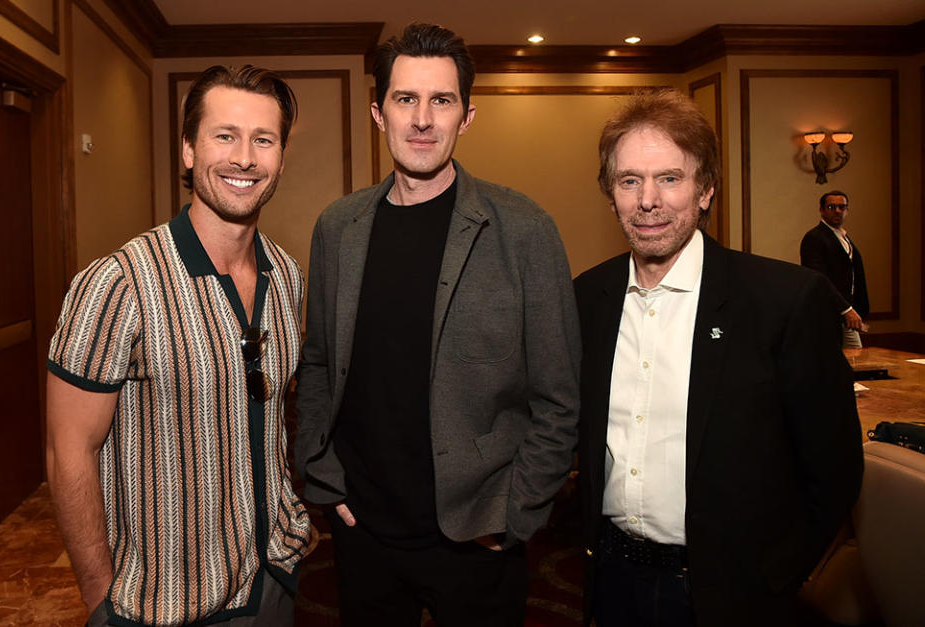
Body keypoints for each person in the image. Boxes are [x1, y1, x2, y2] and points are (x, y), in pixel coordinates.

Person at [294, 23, 580, 626]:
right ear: (379, 113)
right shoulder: (337, 229)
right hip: (363, 532)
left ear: (466, 117)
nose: (422, 119)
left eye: (441, 100)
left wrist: (516, 511)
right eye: (405, 99)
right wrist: (323, 475)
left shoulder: (525, 231)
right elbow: (317, 363)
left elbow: (558, 399)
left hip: (476, 539)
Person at [574, 89, 863, 626]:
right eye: (629, 180)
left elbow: (836, 468)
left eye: (670, 178)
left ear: (705, 190)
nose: (648, 200)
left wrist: (778, 577)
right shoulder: (587, 299)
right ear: (610, 193)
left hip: (733, 596)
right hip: (610, 581)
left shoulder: (784, 301)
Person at [46, 65, 309, 626]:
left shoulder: (286, 275)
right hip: (162, 605)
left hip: (271, 584)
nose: (244, 157)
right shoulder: (117, 284)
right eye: (224, 136)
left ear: (280, 159)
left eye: (263, 140)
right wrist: (101, 603)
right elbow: (68, 452)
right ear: (188, 150)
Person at [800, 190, 870, 348]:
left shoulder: (843, 237)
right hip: (828, 312)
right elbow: (818, 278)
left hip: (847, 313)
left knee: (854, 361)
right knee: (850, 361)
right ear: (822, 210)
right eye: (832, 207)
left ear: (847, 210)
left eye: (842, 207)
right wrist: (846, 309)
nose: (838, 211)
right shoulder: (815, 237)